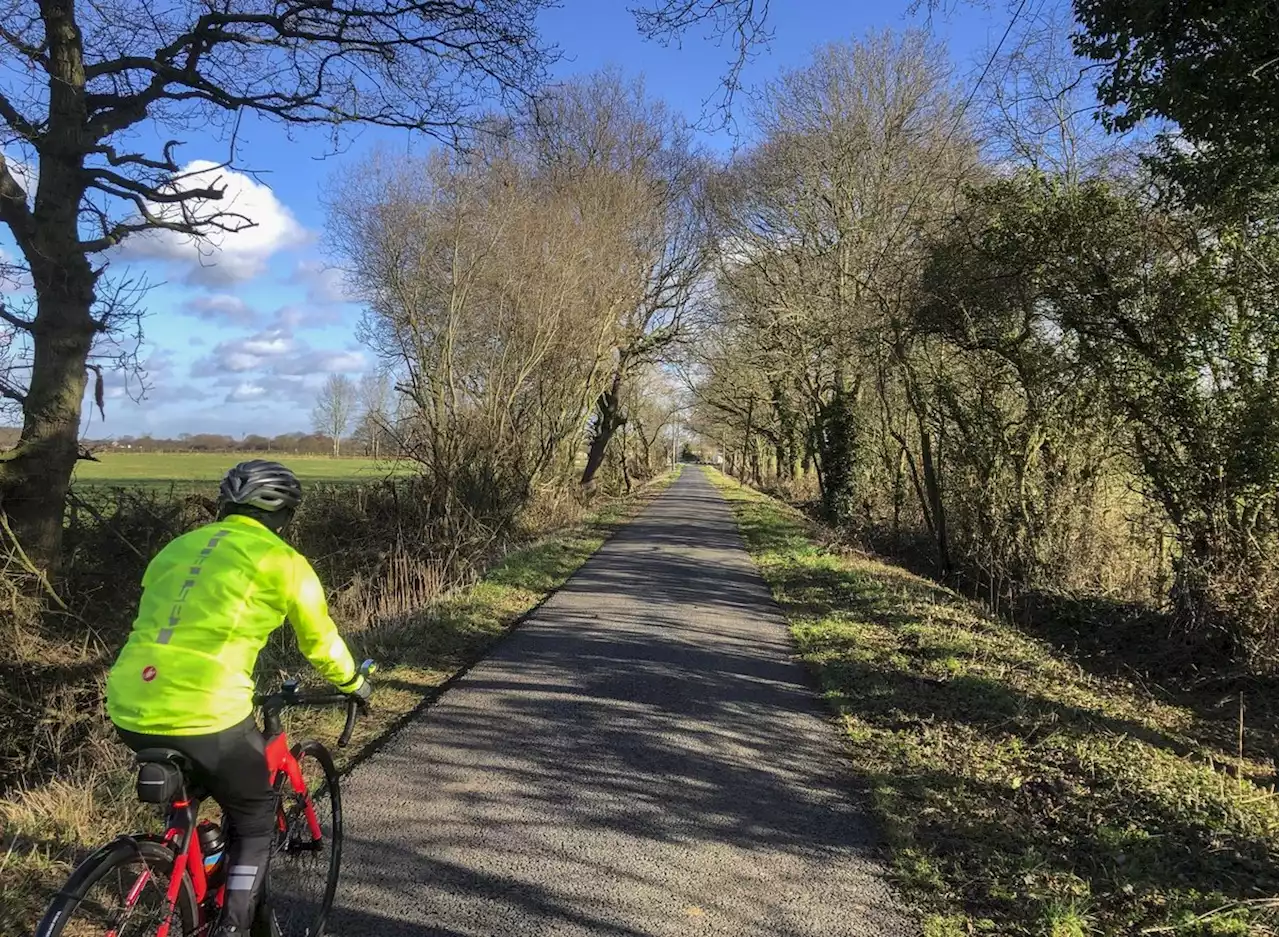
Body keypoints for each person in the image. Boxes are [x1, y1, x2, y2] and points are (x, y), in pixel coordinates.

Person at [106, 460, 371, 936]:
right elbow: (321, 644)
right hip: (208, 711)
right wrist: (354, 683)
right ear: (285, 516)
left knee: (195, 787)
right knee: (252, 820)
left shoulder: (175, 548)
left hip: (128, 701)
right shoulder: (284, 562)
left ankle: (196, 853)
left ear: (224, 506)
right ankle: (232, 927)